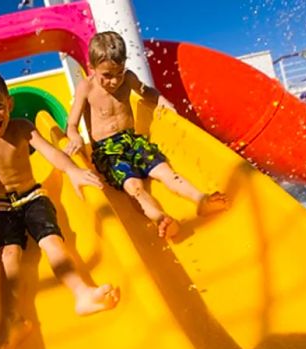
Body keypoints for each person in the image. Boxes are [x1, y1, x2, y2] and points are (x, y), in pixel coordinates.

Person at [0, 69, 120, 349]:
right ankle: (12, 320)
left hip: (32, 196)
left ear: (9, 104)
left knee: (52, 243)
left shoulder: (22, 128)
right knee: (8, 257)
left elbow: (50, 153)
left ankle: (82, 294)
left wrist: (72, 171)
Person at [65, 31, 229, 239]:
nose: (114, 81)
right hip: (108, 150)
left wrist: (160, 99)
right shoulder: (86, 88)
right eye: (107, 75)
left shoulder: (129, 79)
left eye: (119, 72)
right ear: (92, 67)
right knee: (134, 187)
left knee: (166, 172)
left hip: (133, 141)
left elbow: (147, 92)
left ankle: (201, 199)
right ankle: (161, 218)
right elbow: (71, 124)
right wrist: (75, 136)